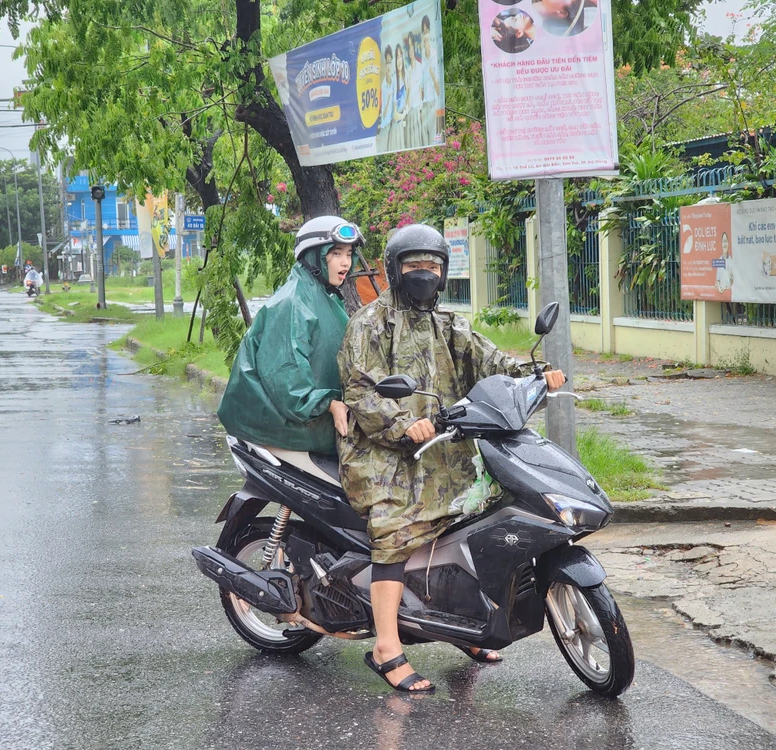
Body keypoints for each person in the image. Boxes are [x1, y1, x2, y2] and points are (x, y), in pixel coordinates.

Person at [338, 225, 566, 693]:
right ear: (395, 270)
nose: (424, 273)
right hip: (384, 452)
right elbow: (360, 390)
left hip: (446, 444)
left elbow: (491, 361)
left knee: (480, 519)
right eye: (414, 265)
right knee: (395, 531)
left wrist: (535, 377)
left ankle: (461, 625)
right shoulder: (370, 323)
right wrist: (403, 423)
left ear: (444, 273)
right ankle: (385, 645)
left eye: (433, 266)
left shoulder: (450, 324)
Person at [217, 216, 363, 455]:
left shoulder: (322, 294)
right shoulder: (294, 302)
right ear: (314, 256)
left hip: (314, 418)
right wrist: (329, 404)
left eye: (349, 254)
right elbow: (287, 378)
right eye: (336, 253)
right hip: (291, 426)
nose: (345, 262)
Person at [419, 16, 441, 145]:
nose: (425, 36)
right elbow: (420, 87)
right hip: (424, 106)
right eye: (423, 32)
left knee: (434, 142)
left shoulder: (435, 55)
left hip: (434, 104)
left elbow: (439, 90)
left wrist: (432, 74)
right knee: (424, 145)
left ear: (430, 33)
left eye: (427, 32)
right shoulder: (421, 57)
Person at [377, 45, 396, 153]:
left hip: (392, 126)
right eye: (387, 62)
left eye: (390, 62)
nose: (389, 65)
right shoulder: (383, 86)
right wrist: (389, 100)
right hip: (384, 127)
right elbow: (383, 114)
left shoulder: (394, 82)